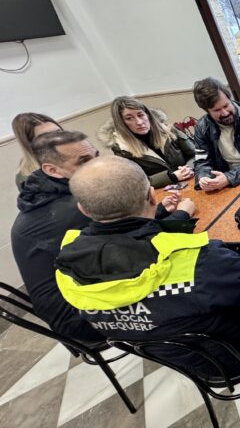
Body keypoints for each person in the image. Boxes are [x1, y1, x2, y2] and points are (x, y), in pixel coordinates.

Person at [54, 156, 240, 378]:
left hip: (179, 362)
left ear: (83, 209)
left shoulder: (67, 268)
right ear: (151, 195)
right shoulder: (198, 261)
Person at [10, 131, 190, 342]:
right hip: (79, 315)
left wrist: (158, 211)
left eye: (96, 155)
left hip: (79, 292)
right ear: (52, 170)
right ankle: (182, 350)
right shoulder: (70, 207)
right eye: (84, 161)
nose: (97, 165)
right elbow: (138, 243)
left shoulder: (43, 192)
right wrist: (181, 215)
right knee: (188, 280)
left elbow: (117, 225)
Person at [192, 77, 240, 191]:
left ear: (230, 99)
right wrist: (203, 178)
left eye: (226, 106)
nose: (224, 113)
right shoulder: (202, 127)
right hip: (226, 181)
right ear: (207, 111)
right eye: (217, 110)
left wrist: (229, 178)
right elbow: (202, 161)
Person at [97, 96, 196, 188]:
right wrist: (172, 177)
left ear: (148, 115)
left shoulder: (169, 130)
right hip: (162, 195)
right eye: (129, 118)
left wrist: (188, 168)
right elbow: (135, 183)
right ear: (121, 124)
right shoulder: (122, 149)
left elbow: (197, 154)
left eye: (140, 115)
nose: (139, 122)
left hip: (192, 180)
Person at [11, 112, 63, 190]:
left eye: (58, 132)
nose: (58, 139)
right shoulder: (28, 179)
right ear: (30, 144)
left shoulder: (77, 153)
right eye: (46, 137)